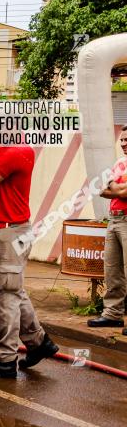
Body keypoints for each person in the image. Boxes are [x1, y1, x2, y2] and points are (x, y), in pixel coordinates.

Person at [0, 146, 59, 378]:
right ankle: (39, 343)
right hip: (12, 231)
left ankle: (4, 360)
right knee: (13, 290)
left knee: (4, 297)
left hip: (10, 233)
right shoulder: (4, 148)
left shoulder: (15, 151)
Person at [88, 128, 127, 329]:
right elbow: (104, 190)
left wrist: (115, 189)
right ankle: (112, 314)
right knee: (112, 270)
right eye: (121, 140)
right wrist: (116, 190)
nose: (123, 144)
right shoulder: (120, 164)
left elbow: (120, 190)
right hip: (114, 219)